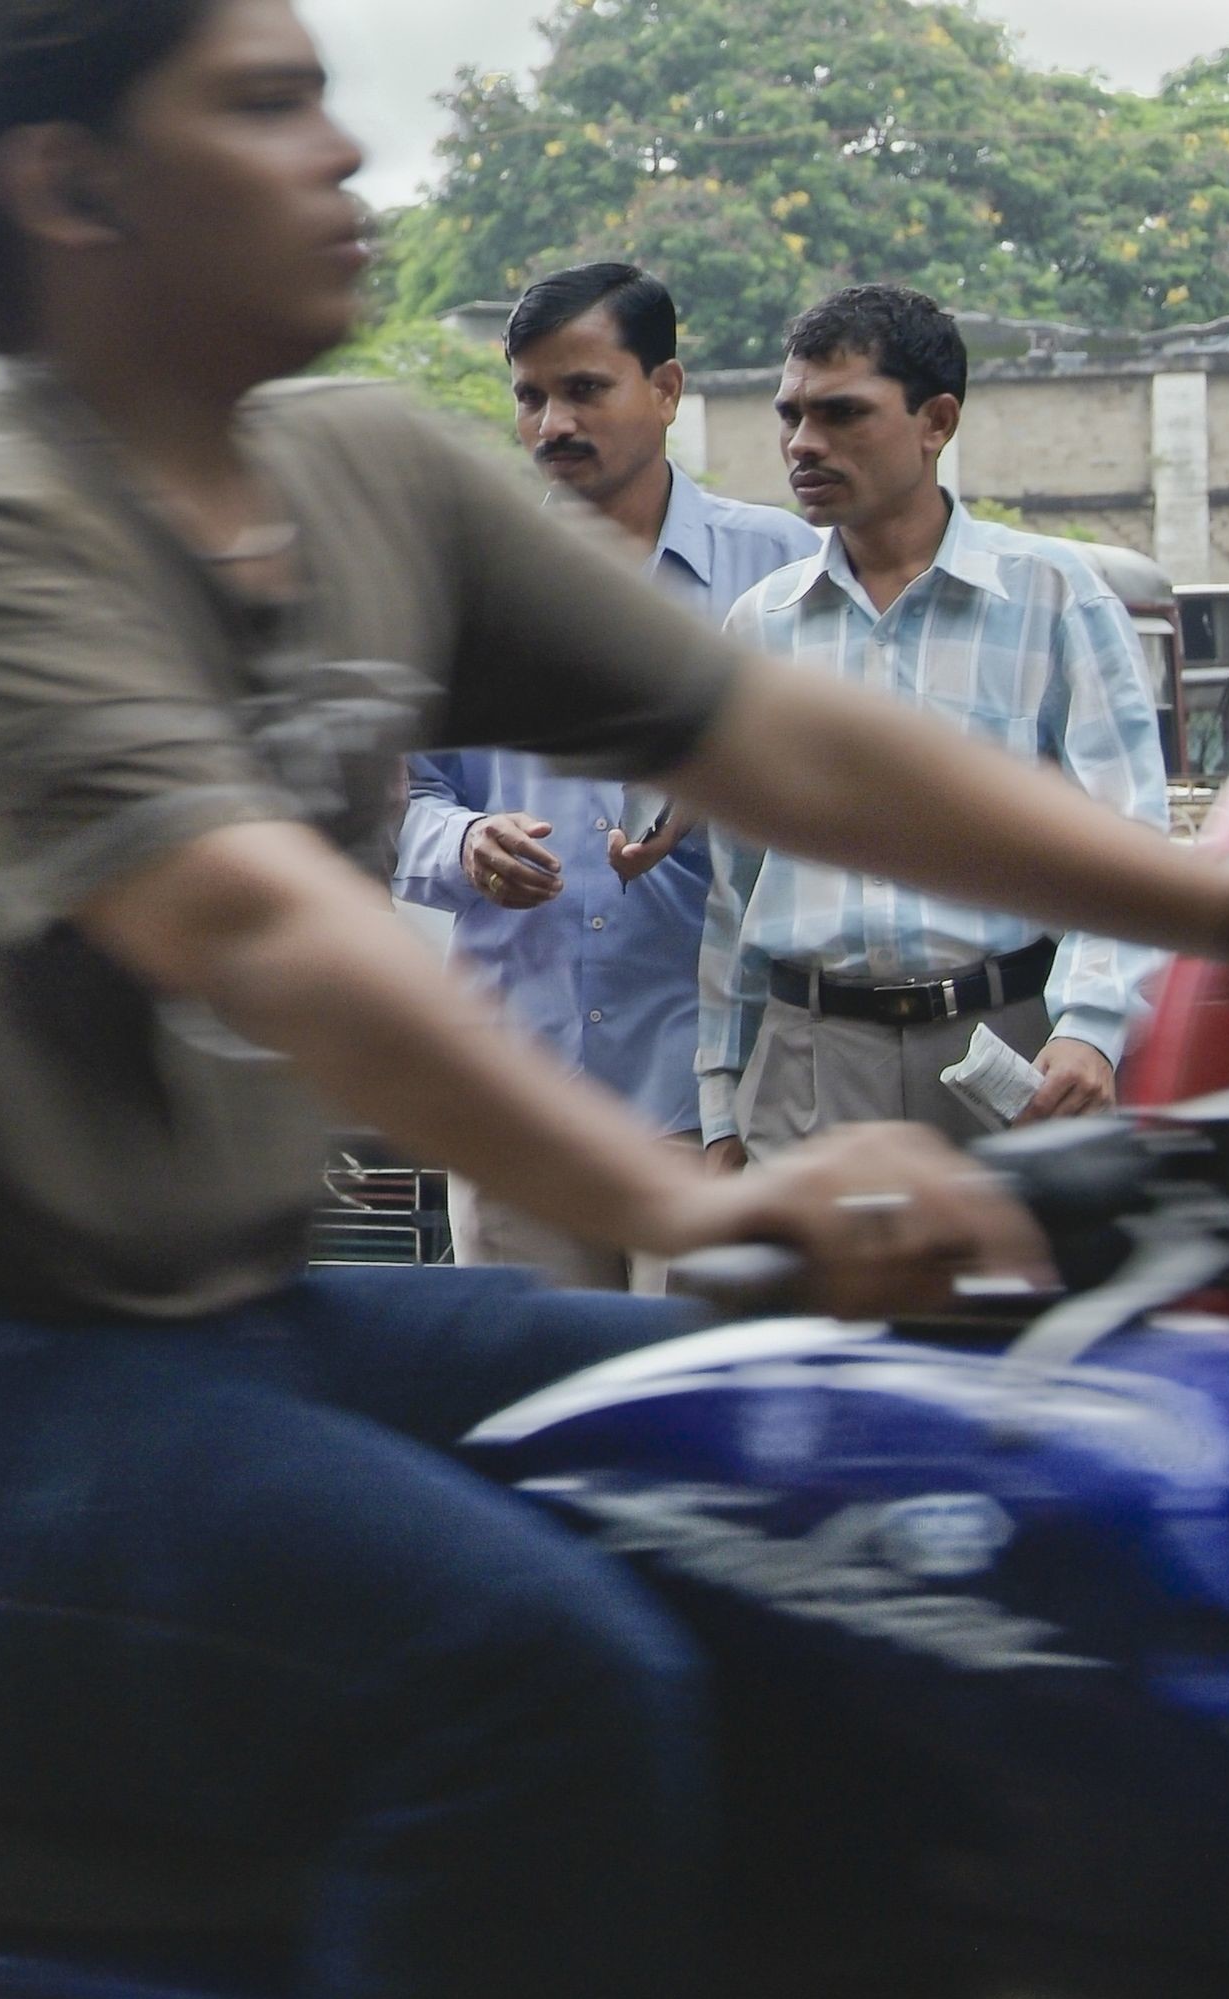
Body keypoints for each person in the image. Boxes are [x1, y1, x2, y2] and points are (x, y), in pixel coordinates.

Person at [0, 2, 1229, 1999]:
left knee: (829, 1485)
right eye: (262, 105)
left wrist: (1219, 907)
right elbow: (250, 923)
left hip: (208, 1328)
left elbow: (775, 733)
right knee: (530, 1682)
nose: (340, 148)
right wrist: (686, 1200)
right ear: (73, 188)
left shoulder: (374, 476)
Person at [396, 261, 815, 1287]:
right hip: (516, 1097)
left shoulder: (781, 572)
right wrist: (462, 843)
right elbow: (394, 798)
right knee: (535, 1410)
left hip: (712, 1098)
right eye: (530, 396)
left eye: (585, 389)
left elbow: (842, 796)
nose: (552, 424)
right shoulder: (456, 588)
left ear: (666, 391)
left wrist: (725, 798)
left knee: (695, 1418)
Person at [700, 284, 1169, 1168]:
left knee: (1018, 1302)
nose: (804, 443)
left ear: (936, 421)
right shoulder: (761, 628)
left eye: (843, 414)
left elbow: (1127, 837)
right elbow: (737, 885)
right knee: (819, 1309)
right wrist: (724, 1100)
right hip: (810, 1064)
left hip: (1009, 1048)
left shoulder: (1053, 598)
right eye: (791, 414)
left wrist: (1092, 1029)